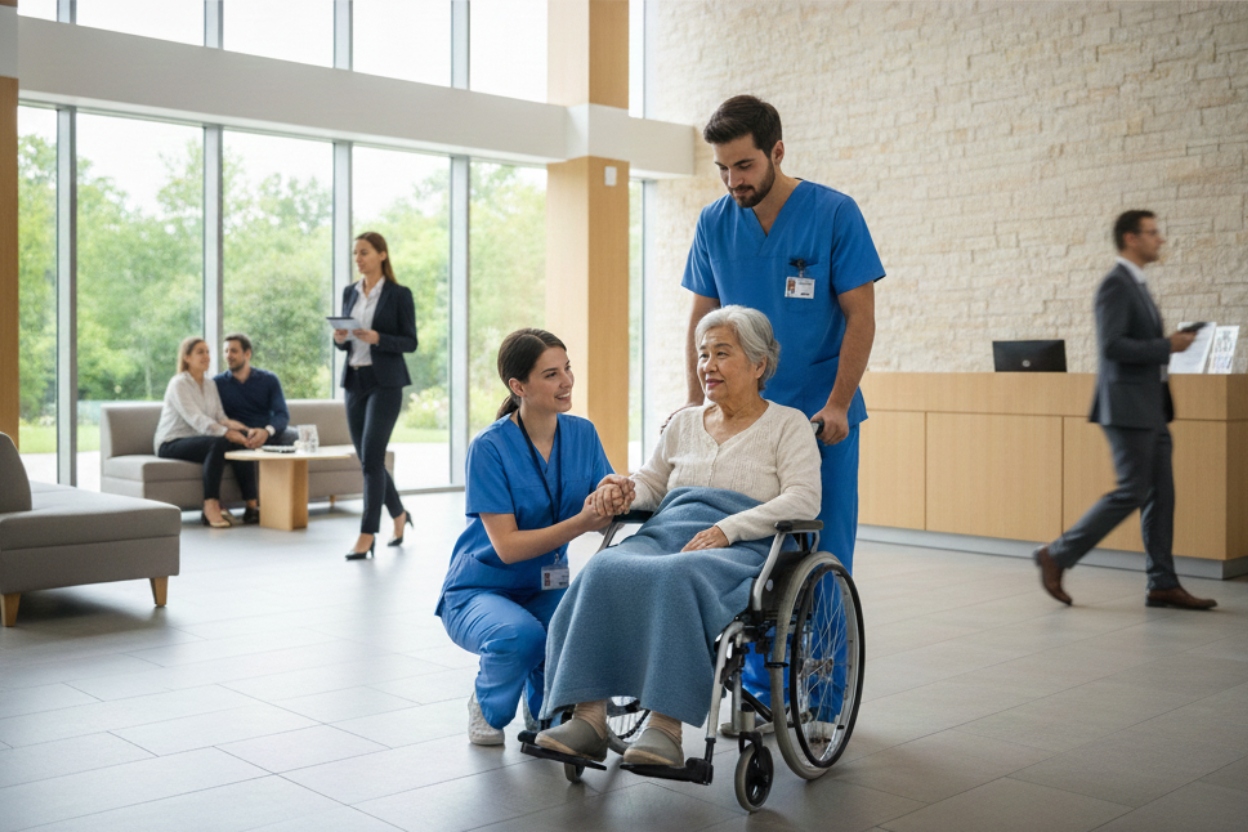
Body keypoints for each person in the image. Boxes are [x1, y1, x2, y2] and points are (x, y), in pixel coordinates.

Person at [534, 306, 821, 767]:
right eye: (703, 354)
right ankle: (588, 718)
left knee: (677, 577)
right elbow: (653, 483)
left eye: (722, 354)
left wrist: (729, 529)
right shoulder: (686, 422)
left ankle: (665, 729)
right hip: (668, 529)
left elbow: (803, 500)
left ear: (759, 364)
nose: (707, 365)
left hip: (742, 546)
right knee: (605, 566)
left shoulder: (788, 426)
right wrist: (623, 490)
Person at [680, 94, 884, 725]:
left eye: (743, 165)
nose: (733, 180)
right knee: (752, 562)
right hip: (745, 423)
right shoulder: (715, 222)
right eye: (722, 168)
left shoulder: (832, 214)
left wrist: (840, 404)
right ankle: (765, 698)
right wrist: (695, 411)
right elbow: (701, 321)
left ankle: (822, 702)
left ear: (776, 152)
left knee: (821, 558)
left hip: (822, 424)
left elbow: (860, 316)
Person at [436, 329, 616, 746]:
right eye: (551, 374)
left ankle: (543, 714)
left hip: (546, 584)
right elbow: (508, 546)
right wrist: (583, 522)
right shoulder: (489, 447)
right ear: (519, 386)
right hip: (480, 587)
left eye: (567, 368)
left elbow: (603, 504)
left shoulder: (582, 434)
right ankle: (487, 704)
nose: (567, 381)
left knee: (573, 634)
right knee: (522, 636)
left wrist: (616, 494)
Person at [1034, 211, 1216, 610]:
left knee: (1161, 496)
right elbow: (1112, 346)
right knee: (1131, 491)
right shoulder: (1115, 285)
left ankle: (1162, 583)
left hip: (1152, 409)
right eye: (1152, 233)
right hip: (1127, 408)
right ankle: (1057, 554)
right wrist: (1169, 345)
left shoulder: (1137, 284)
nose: (1160, 240)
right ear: (1131, 239)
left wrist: (1170, 345)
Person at [332, 232, 418, 560]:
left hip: (386, 384)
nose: (358, 258)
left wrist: (378, 337)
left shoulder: (399, 294)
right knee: (370, 459)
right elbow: (343, 344)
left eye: (364, 252)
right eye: (355, 253)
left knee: (370, 457)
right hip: (355, 380)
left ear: (382, 255)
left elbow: (410, 341)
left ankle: (367, 534)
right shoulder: (349, 292)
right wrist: (341, 338)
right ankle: (399, 514)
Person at [154, 336, 259, 528]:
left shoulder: (210, 384)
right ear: (187, 357)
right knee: (219, 441)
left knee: (238, 443)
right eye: (200, 352)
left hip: (199, 441)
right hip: (171, 443)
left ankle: (252, 507)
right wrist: (226, 433)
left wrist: (245, 430)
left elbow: (220, 416)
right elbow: (196, 419)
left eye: (208, 352)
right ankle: (211, 505)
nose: (206, 356)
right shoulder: (179, 384)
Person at [213, 333, 298, 524]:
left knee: (295, 436)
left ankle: (286, 501)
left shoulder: (269, 379)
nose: (228, 355)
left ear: (247, 354)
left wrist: (266, 431)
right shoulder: (217, 383)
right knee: (238, 445)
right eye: (226, 351)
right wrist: (241, 433)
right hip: (238, 435)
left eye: (233, 351)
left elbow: (282, 414)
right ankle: (252, 507)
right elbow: (215, 416)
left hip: (266, 432)